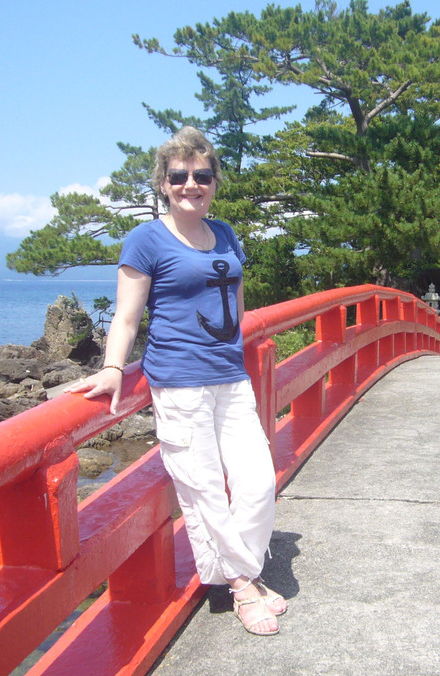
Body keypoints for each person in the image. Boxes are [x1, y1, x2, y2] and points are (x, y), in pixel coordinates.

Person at [67, 126, 284, 636]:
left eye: (202, 175)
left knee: (256, 482)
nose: (192, 184)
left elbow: (235, 301)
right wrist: (113, 368)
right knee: (205, 489)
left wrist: (237, 349)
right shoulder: (146, 239)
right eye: (180, 175)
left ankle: (241, 570)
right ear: (163, 183)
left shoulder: (225, 233)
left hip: (230, 377)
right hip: (180, 382)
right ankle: (241, 583)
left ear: (214, 181)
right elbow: (126, 316)